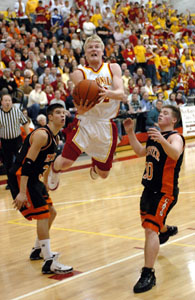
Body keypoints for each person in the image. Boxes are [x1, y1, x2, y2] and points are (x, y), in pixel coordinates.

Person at [47, 34, 125, 190]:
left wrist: (107, 93)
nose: (94, 49)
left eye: (97, 47)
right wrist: (86, 103)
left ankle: (95, 166)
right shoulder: (79, 73)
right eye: (90, 47)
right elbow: (82, 100)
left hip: (106, 125)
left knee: (103, 174)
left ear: (103, 51)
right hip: (85, 122)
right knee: (66, 162)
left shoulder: (112, 68)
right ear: (85, 53)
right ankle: (54, 170)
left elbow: (121, 94)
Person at [123, 105, 185, 293]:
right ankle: (165, 231)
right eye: (161, 112)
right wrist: (130, 133)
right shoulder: (154, 136)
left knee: (150, 229)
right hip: (148, 190)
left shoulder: (175, 137)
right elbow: (140, 152)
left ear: (174, 120)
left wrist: (161, 140)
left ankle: (148, 273)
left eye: (166, 113)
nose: (161, 115)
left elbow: (175, 153)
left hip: (165, 191)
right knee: (150, 227)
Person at [9, 101, 73, 274]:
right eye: (58, 112)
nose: (62, 115)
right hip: (22, 176)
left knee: (51, 212)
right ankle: (48, 261)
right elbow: (27, 164)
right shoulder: (42, 135)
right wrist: (22, 192)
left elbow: (48, 163)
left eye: (64, 112)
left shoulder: (56, 137)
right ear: (50, 117)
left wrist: (45, 184)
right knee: (43, 215)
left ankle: (37, 249)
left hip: (34, 179)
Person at [0, 94, 30, 189]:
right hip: (5, 142)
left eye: (9, 100)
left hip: (17, 140)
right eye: (5, 100)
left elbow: (25, 123)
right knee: (8, 163)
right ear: (1, 102)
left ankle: (23, 180)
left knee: (20, 160)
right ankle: (11, 183)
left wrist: (29, 136)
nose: (8, 102)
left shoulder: (17, 111)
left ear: (12, 102)